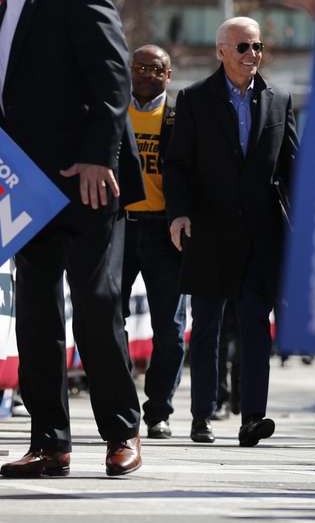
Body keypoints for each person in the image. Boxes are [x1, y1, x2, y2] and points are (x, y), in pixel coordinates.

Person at [0, 0, 146, 479]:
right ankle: (49, 441)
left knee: (97, 307)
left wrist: (100, 156)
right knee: (36, 315)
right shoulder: (3, 6)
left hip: (85, 182)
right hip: (26, 188)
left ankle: (122, 432)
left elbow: (111, 72)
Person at [165, 16, 298, 447]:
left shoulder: (280, 101)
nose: (252, 55)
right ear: (221, 50)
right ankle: (202, 414)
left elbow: (291, 168)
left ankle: (252, 418)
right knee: (206, 326)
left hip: (262, 233)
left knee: (257, 324)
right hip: (209, 229)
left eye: (257, 47)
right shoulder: (193, 99)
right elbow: (179, 165)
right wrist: (179, 214)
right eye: (243, 47)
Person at [120, 43, 187, 440]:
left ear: (168, 75)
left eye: (156, 69)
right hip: (120, 227)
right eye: (141, 67)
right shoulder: (115, 110)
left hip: (164, 231)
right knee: (110, 321)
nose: (147, 74)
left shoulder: (180, 117)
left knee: (171, 329)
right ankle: (120, 398)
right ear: (131, 70)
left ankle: (158, 410)